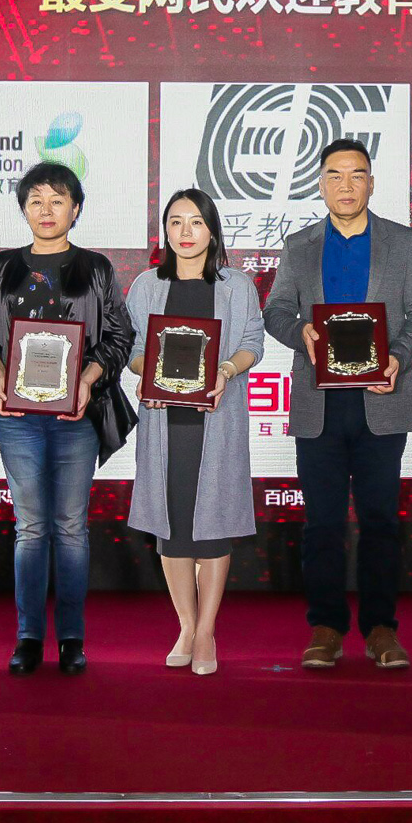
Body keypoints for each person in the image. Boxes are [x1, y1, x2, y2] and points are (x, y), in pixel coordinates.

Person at [263, 138, 412, 670]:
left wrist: (397, 358)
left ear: (371, 182)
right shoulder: (299, 246)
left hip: (381, 400)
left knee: (381, 519)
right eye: (335, 176)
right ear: (320, 184)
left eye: (356, 174)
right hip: (319, 404)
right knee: (322, 522)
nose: (346, 185)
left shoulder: (401, 242)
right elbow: (275, 311)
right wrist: (302, 334)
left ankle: (381, 627)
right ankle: (326, 626)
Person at [0, 162, 136, 677]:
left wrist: (87, 379)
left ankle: (71, 638)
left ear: (75, 209)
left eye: (57, 200)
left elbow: (119, 336)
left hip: (76, 416)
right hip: (16, 415)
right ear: (23, 209)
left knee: (70, 527)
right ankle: (27, 637)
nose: (46, 210)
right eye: (36, 200)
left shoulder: (95, 268)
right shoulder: (1, 268)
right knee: (31, 528)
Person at [124, 189, 265, 677]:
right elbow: (134, 348)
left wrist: (225, 370)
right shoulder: (147, 285)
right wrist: (147, 375)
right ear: (165, 230)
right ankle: (185, 626)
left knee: (213, 525)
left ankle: (206, 631)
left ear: (212, 230)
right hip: (165, 420)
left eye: (196, 222)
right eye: (176, 222)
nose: (185, 232)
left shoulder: (236, 286)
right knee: (173, 525)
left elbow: (252, 343)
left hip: (217, 418)